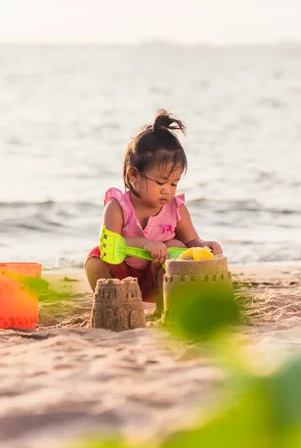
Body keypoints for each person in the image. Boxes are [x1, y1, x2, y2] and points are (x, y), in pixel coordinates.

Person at [85, 109, 223, 312]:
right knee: (95, 259)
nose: (168, 190)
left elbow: (191, 241)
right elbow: (110, 245)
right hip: (121, 273)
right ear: (134, 175)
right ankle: (113, 305)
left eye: (174, 183)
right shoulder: (117, 207)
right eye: (160, 182)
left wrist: (204, 245)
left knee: (176, 246)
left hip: (156, 278)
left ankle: (165, 306)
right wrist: (146, 243)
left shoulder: (176, 209)